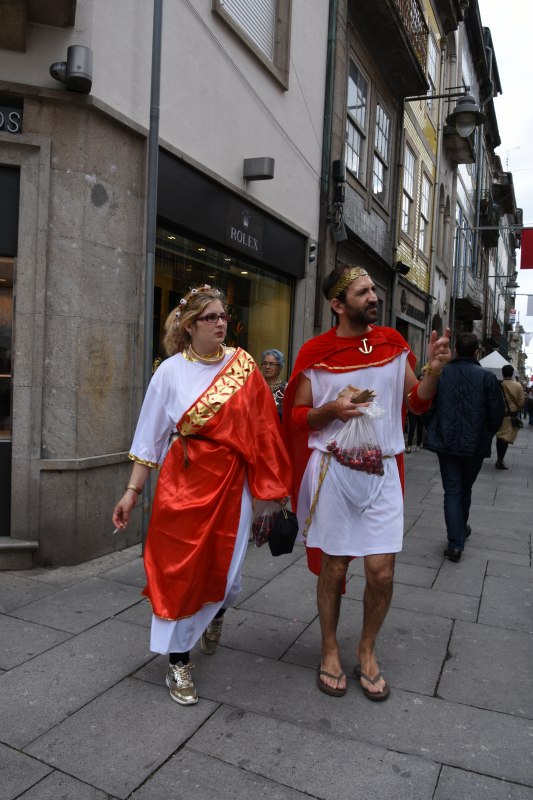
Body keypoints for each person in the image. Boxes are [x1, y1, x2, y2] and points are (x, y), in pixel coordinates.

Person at [112, 285, 292, 706]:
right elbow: (149, 439)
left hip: (233, 483)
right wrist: (131, 491)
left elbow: (266, 432)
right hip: (183, 482)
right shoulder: (170, 371)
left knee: (226, 576)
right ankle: (178, 662)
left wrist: (276, 490)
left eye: (224, 315)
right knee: (178, 573)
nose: (221, 322)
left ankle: (217, 613)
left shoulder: (243, 366)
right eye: (210, 317)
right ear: (190, 325)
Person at [283, 265, 451, 701]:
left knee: (381, 570)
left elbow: (416, 404)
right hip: (334, 473)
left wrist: (432, 369)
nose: (373, 297)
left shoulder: (393, 345)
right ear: (338, 305)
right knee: (335, 566)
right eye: (362, 292)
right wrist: (332, 411)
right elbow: (298, 417)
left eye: (373, 290)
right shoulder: (315, 352)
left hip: (383, 472)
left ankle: (367, 648)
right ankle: (330, 648)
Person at [423, 333, 504, 562]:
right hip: (474, 445)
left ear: (456, 350)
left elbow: (428, 404)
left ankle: (455, 541)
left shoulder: (442, 373)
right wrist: (484, 434)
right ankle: (459, 533)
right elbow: (496, 414)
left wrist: (435, 427)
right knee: (464, 488)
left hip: (446, 442)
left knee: (452, 491)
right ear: (477, 351)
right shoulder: (487, 378)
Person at [495, 364, 525, 470]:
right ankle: (500, 460)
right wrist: (516, 408)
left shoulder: (497, 384)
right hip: (509, 416)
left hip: (497, 416)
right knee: (505, 438)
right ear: (512, 374)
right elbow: (521, 402)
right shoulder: (518, 386)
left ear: (502, 373)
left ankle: (499, 458)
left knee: (499, 437)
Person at [261, 348, 287, 420]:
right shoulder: (255, 387)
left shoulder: (286, 389)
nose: (267, 367)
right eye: (265, 363)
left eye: (271, 364)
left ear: (279, 368)